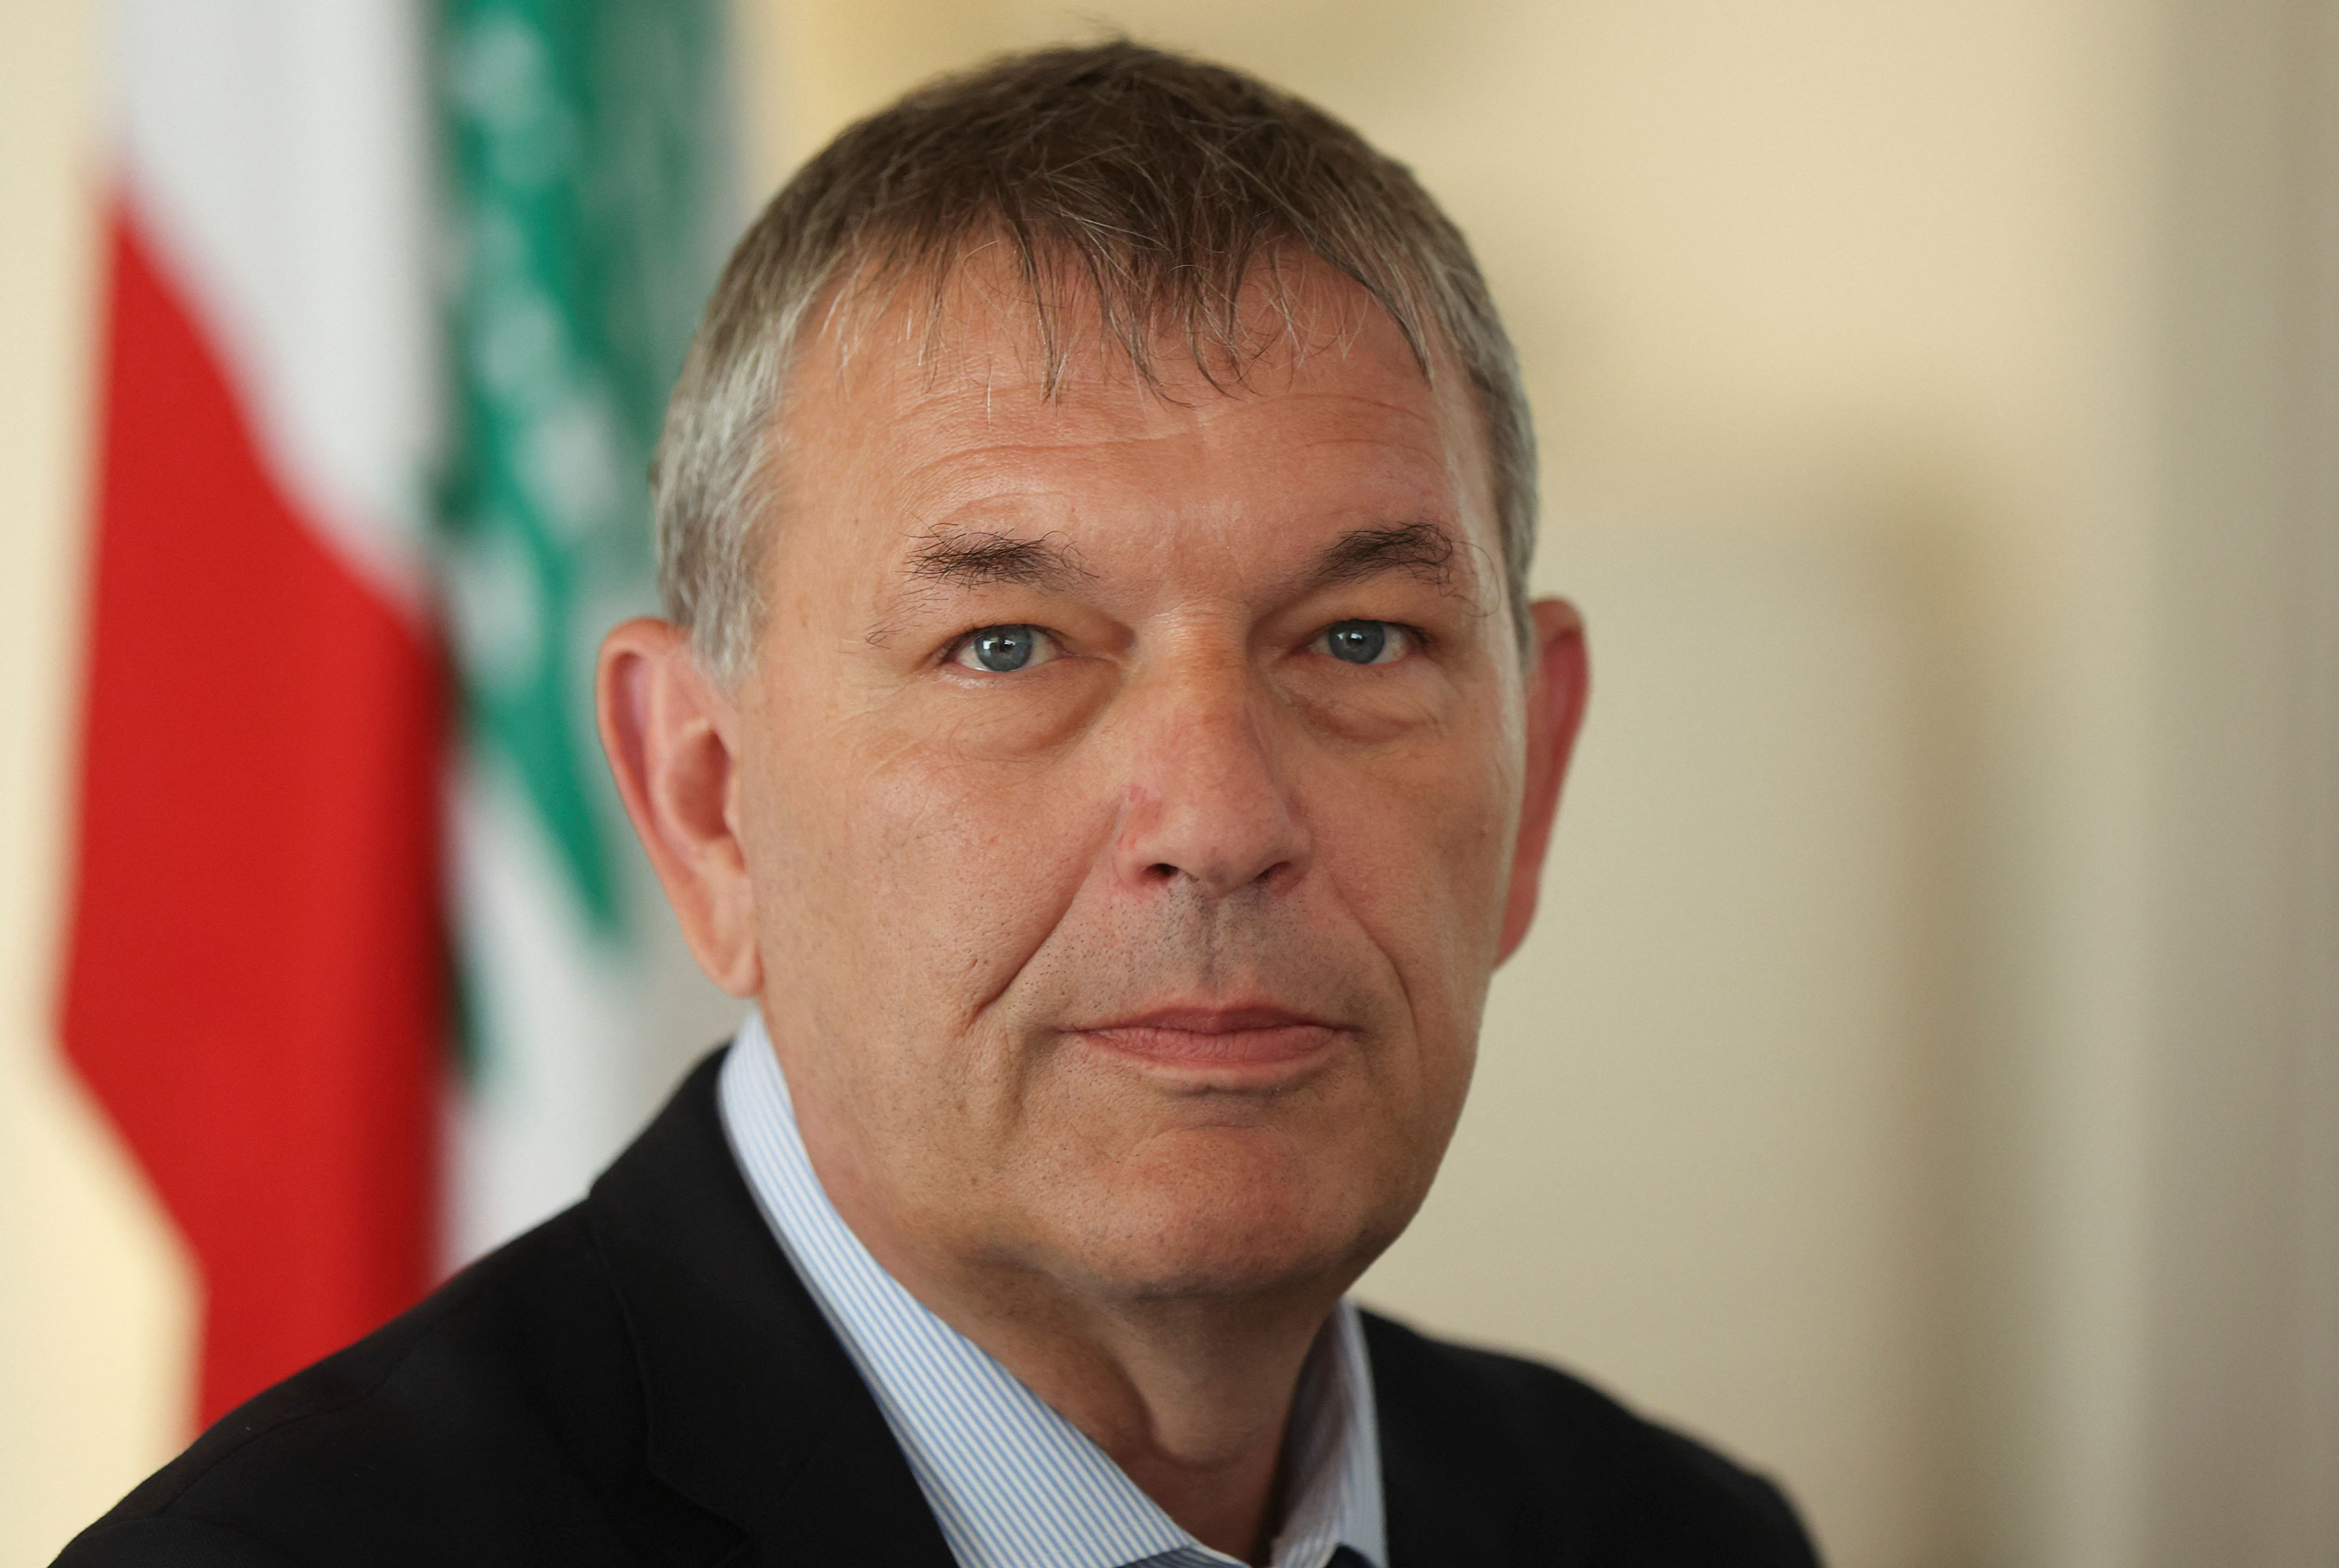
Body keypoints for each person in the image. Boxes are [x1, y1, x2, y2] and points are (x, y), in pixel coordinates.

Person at [59, 42, 1820, 1568]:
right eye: (1006, 646)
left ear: (1538, 776)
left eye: (1359, 637)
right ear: (706, 803)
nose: (1214, 818)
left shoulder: (1678, 1537)